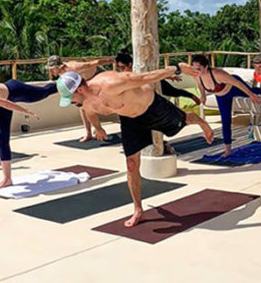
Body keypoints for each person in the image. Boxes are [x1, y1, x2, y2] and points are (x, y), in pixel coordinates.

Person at [57, 64, 213, 228]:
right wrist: (98, 128)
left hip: (152, 108)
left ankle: (200, 121)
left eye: (70, 98)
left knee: (185, 120)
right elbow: (90, 113)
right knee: (131, 164)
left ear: (79, 90)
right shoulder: (85, 102)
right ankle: (138, 209)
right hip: (130, 121)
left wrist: (176, 69)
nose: (71, 103)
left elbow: (147, 77)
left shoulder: (112, 83)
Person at [188, 54, 261, 158]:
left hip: (233, 88)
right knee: (225, 120)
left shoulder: (218, 74)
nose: (196, 71)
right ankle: (227, 150)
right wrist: (203, 96)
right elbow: (200, 86)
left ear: (205, 67)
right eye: (194, 68)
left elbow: (237, 84)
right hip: (221, 96)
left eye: (198, 68)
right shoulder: (197, 76)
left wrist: (251, 95)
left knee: (254, 91)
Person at [46, 55, 115, 142]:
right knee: (82, 108)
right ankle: (88, 133)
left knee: (95, 105)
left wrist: (111, 60)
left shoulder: (74, 67)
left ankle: (97, 129)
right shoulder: (61, 74)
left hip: (96, 76)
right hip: (83, 83)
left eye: (52, 69)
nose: (51, 71)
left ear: (59, 66)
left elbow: (93, 63)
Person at [114, 52, 201, 107]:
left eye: (122, 67)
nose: (121, 69)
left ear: (130, 64)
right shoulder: (124, 75)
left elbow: (155, 73)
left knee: (173, 92)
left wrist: (170, 76)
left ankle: (191, 96)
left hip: (156, 81)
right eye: (119, 68)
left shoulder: (139, 68)